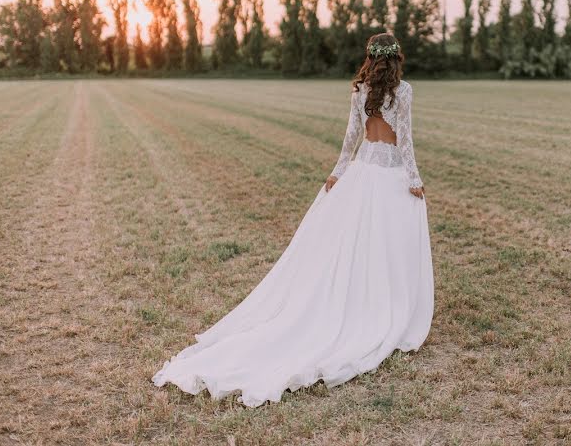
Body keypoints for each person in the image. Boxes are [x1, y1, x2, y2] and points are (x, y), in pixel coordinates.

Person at [152, 33, 434, 407]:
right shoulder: (405, 92)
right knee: (386, 245)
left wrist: (338, 173)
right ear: (397, 58)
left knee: (355, 244)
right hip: (390, 176)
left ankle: (362, 300)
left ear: (370, 58)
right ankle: (384, 305)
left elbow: (351, 140)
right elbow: (405, 142)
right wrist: (414, 180)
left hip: (363, 172)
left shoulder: (360, 91)